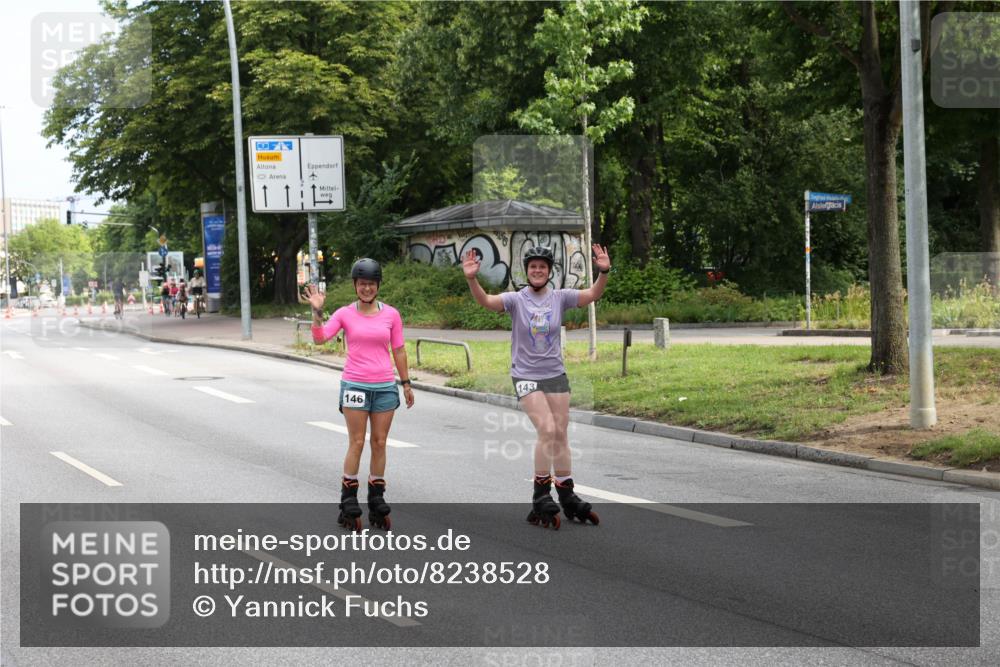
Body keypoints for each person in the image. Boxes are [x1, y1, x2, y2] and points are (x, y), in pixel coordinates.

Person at [463, 244, 611, 530]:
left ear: (549, 270)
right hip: (526, 375)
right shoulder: (517, 299)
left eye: (543, 266)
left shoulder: (560, 297)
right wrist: (472, 279)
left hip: (555, 374)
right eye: (533, 267)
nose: (538, 270)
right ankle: (541, 495)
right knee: (547, 429)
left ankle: (566, 494)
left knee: (561, 435)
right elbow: (487, 301)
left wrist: (603, 271)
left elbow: (593, 294)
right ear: (527, 271)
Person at [304, 258, 414, 531]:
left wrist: (406, 383)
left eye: (371, 284)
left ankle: (376, 498)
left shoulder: (392, 315)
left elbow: (399, 350)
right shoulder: (344, 314)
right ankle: (348, 500)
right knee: (357, 442)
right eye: (362, 283)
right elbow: (320, 339)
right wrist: (317, 312)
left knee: (379, 442)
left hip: (385, 387)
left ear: (378, 286)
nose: (367, 288)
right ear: (355, 285)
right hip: (354, 386)